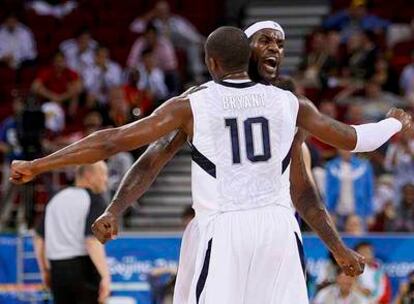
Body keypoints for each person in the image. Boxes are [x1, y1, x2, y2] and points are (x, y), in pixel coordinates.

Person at [10, 26, 411, 303]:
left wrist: (40, 164)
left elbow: (114, 141)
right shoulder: (290, 104)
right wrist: (395, 121)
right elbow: (356, 139)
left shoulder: (193, 103)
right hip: (280, 229)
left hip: (225, 227)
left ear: (212, 63)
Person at [33, 161, 111, 304]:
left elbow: (38, 238)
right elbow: (92, 241)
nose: (106, 179)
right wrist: (105, 276)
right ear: (89, 175)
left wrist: (45, 270)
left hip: (57, 268)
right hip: (84, 269)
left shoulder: (56, 198)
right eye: (103, 174)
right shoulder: (95, 200)